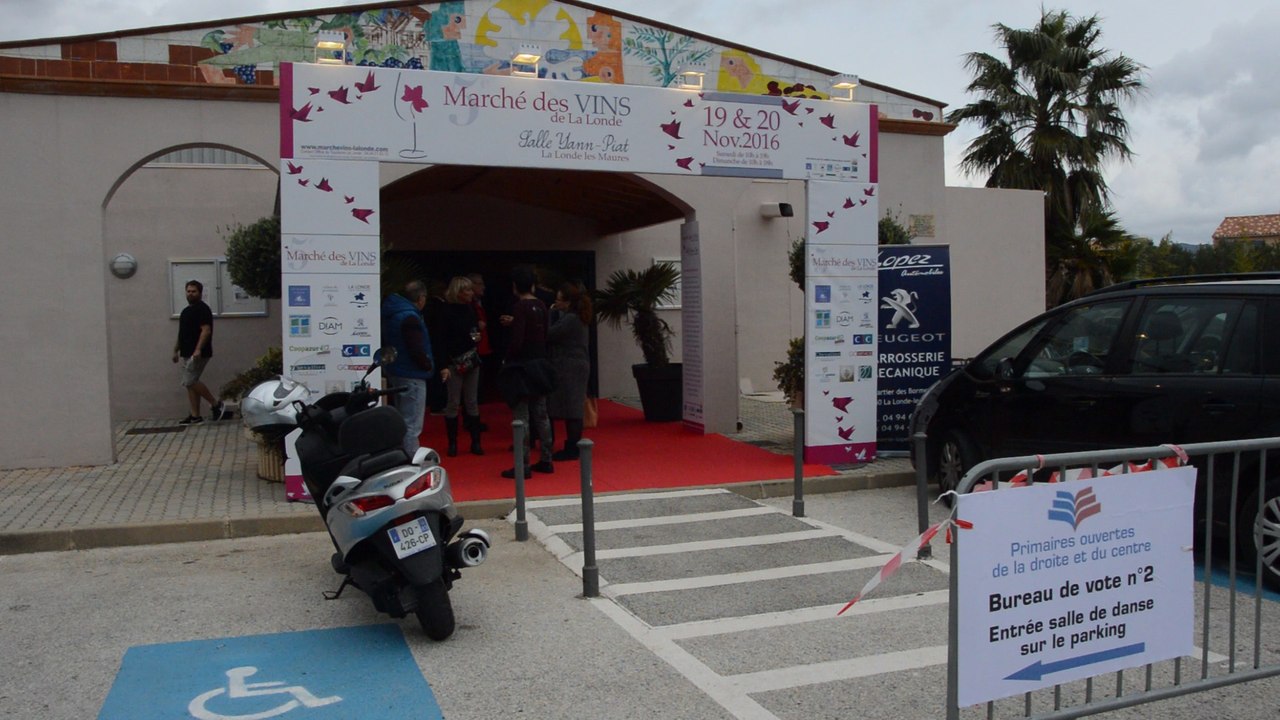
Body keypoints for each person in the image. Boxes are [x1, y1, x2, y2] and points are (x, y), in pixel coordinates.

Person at [497, 266, 555, 477]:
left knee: (521, 416)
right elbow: (545, 333)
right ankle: (547, 458)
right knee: (541, 413)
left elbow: (517, 340)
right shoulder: (541, 305)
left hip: (522, 365)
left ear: (515, 286)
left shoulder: (520, 307)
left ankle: (523, 464)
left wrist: (508, 359)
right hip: (540, 362)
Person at [380, 280, 435, 457]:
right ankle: (411, 459)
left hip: (397, 370)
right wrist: (427, 364)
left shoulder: (392, 313)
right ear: (421, 298)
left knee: (404, 420)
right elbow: (415, 348)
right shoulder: (410, 317)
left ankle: (402, 455)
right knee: (412, 423)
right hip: (412, 373)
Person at [436, 276, 484, 457]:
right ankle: (453, 443)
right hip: (453, 361)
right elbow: (440, 340)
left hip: (471, 358)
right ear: (459, 292)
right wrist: (443, 365)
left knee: (472, 401)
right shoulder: (446, 311)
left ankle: (476, 442)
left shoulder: (470, 309)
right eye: (468, 290)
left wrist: (476, 336)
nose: (471, 293)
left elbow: (473, 331)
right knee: (453, 402)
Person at [546, 281, 592, 461]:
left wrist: (550, 315)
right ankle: (572, 445)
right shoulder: (576, 316)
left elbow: (550, 334)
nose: (556, 302)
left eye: (559, 300)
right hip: (576, 364)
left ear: (567, 302)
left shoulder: (570, 319)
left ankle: (573, 447)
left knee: (572, 409)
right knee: (572, 407)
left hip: (570, 366)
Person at [172, 280, 226, 424]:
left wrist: (198, 349)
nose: (190, 294)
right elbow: (181, 334)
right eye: (188, 291)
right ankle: (195, 416)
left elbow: (206, 331)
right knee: (190, 383)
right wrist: (175, 350)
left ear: (200, 293)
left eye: (194, 291)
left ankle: (216, 404)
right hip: (186, 352)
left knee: (189, 381)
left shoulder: (202, 309)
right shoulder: (186, 311)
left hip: (198, 353)